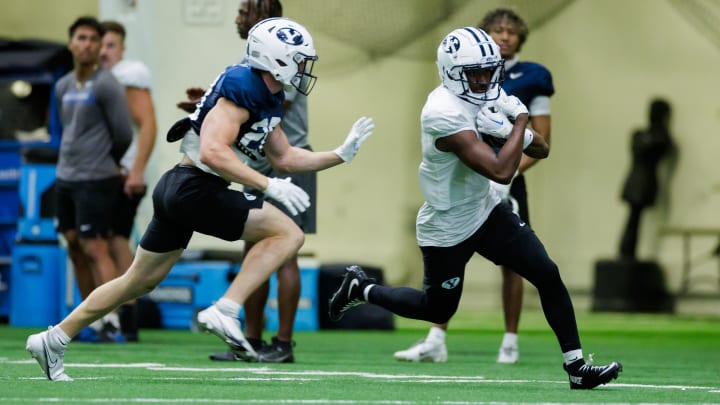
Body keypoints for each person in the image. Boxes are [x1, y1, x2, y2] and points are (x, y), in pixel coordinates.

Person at [26, 17, 374, 381]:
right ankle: (226, 308)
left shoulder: (266, 95)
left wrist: (339, 154)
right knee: (288, 234)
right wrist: (268, 187)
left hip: (181, 189)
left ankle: (54, 338)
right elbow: (212, 151)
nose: (304, 69)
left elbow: (284, 157)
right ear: (278, 59)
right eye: (299, 60)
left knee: (138, 281)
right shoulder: (244, 85)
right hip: (196, 187)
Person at [328, 26, 622, 390]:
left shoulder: (488, 90)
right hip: (447, 222)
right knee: (437, 309)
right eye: (474, 73)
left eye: (488, 70)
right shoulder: (441, 112)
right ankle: (361, 289)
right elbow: (501, 168)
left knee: (546, 273)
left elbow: (543, 149)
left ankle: (576, 367)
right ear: (451, 72)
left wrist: (518, 128)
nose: (483, 80)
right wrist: (517, 124)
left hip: (486, 209)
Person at [393, 8, 554, 365]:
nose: (505, 36)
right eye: (497, 30)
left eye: (512, 31)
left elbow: (542, 144)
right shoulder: (451, 96)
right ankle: (437, 335)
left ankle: (510, 340)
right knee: (454, 258)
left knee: (520, 263)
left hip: (507, 180)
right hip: (472, 177)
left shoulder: (532, 77)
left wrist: (511, 175)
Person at [178, 0, 312, 363]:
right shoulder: (252, 58)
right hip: (256, 158)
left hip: (288, 157)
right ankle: (248, 338)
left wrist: (227, 103)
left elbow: (267, 108)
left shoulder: (286, 55)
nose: (238, 18)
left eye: (243, 12)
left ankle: (282, 343)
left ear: (261, 16)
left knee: (285, 250)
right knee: (254, 249)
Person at [52, 16, 133, 342]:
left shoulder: (107, 84)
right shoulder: (63, 86)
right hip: (66, 177)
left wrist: (105, 162)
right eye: (80, 38)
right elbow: (66, 129)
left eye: (92, 39)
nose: (86, 44)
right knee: (73, 244)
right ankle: (91, 321)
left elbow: (124, 133)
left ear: (100, 47)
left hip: (97, 178)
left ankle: (112, 319)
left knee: (95, 247)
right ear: (71, 43)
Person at [99, 19, 159, 342]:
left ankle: (126, 313)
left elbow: (148, 124)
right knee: (108, 240)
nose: (105, 51)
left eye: (111, 45)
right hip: (104, 171)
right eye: (101, 45)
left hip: (124, 173)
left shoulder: (129, 73)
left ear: (122, 49)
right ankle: (119, 315)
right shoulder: (98, 79)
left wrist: (136, 169)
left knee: (115, 240)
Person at [619, 99, 675, 260]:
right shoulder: (644, 135)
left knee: (633, 220)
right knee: (633, 220)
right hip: (641, 181)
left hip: (642, 180)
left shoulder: (653, 136)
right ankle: (626, 252)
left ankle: (627, 252)